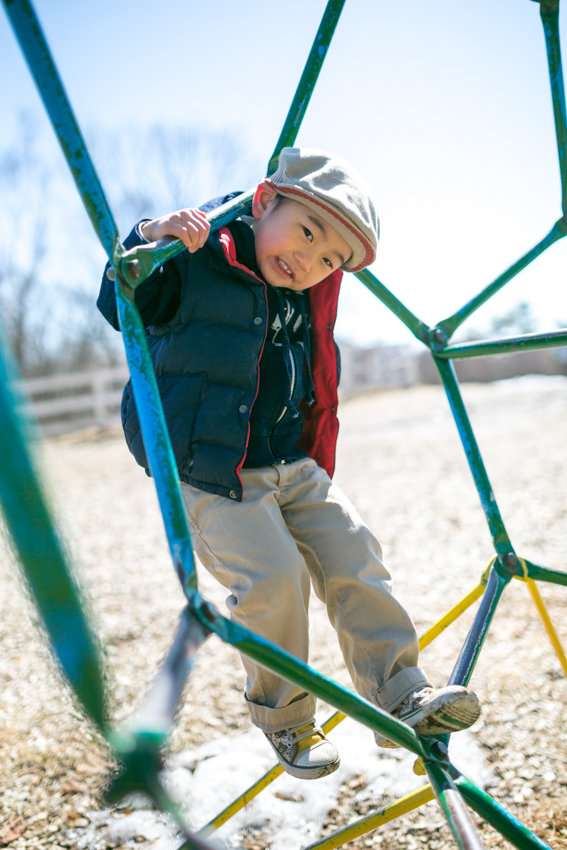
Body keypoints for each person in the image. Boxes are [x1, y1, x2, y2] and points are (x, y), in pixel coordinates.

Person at [98, 147, 481, 781]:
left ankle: (400, 694)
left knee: (356, 552)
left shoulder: (305, 295)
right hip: (215, 469)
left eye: (329, 258)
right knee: (274, 580)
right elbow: (120, 304)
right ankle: (286, 721)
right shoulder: (196, 259)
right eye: (306, 233)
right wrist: (149, 237)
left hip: (292, 461)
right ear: (264, 201)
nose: (309, 261)